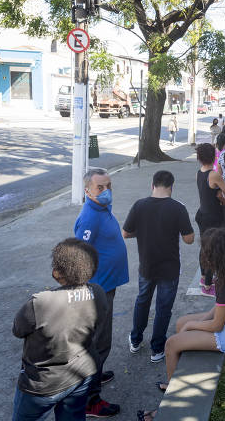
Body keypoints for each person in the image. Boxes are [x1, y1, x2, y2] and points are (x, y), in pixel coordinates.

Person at [144, 228, 225, 416]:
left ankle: (173, 399)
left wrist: (193, 326)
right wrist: (197, 321)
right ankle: (176, 378)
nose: (205, 257)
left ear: (217, 257)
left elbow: (217, 325)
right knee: (181, 322)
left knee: (171, 344)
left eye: (207, 253)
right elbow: (221, 307)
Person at [11, 238, 108, 421]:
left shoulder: (41, 303)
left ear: (57, 273)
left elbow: (18, 330)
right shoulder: (99, 292)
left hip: (43, 384)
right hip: (81, 375)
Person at [123, 171, 195, 364]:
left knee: (142, 301)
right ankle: (157, 349)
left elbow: (125, 233)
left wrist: (145, 232)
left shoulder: (139, 205)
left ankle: (136, 340)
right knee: (163, 308)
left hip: (146, 265)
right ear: (171, 186)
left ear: (152, 185)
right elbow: (189, 239)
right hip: (169, 269)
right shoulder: (178, 208)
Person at [74, 168, 128, 417]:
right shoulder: (90, 217)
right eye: (100, 188)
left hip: (107, 285)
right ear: (87, 191)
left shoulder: (101, 208)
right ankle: (90, 400)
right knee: (99, 342)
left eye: (109, 186)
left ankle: (97, 371)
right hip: (98, 290)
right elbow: (79, 255)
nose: (106, 192)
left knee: (101, 342)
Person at [195, 143, 225, 296]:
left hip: (202, 214)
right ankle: (209, 286)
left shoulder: (200, 172)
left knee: (204, 247)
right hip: (213, 216)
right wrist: (222, 198)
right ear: (214, 157)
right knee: (212, 250)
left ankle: (204, 278)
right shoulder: (214, 174)